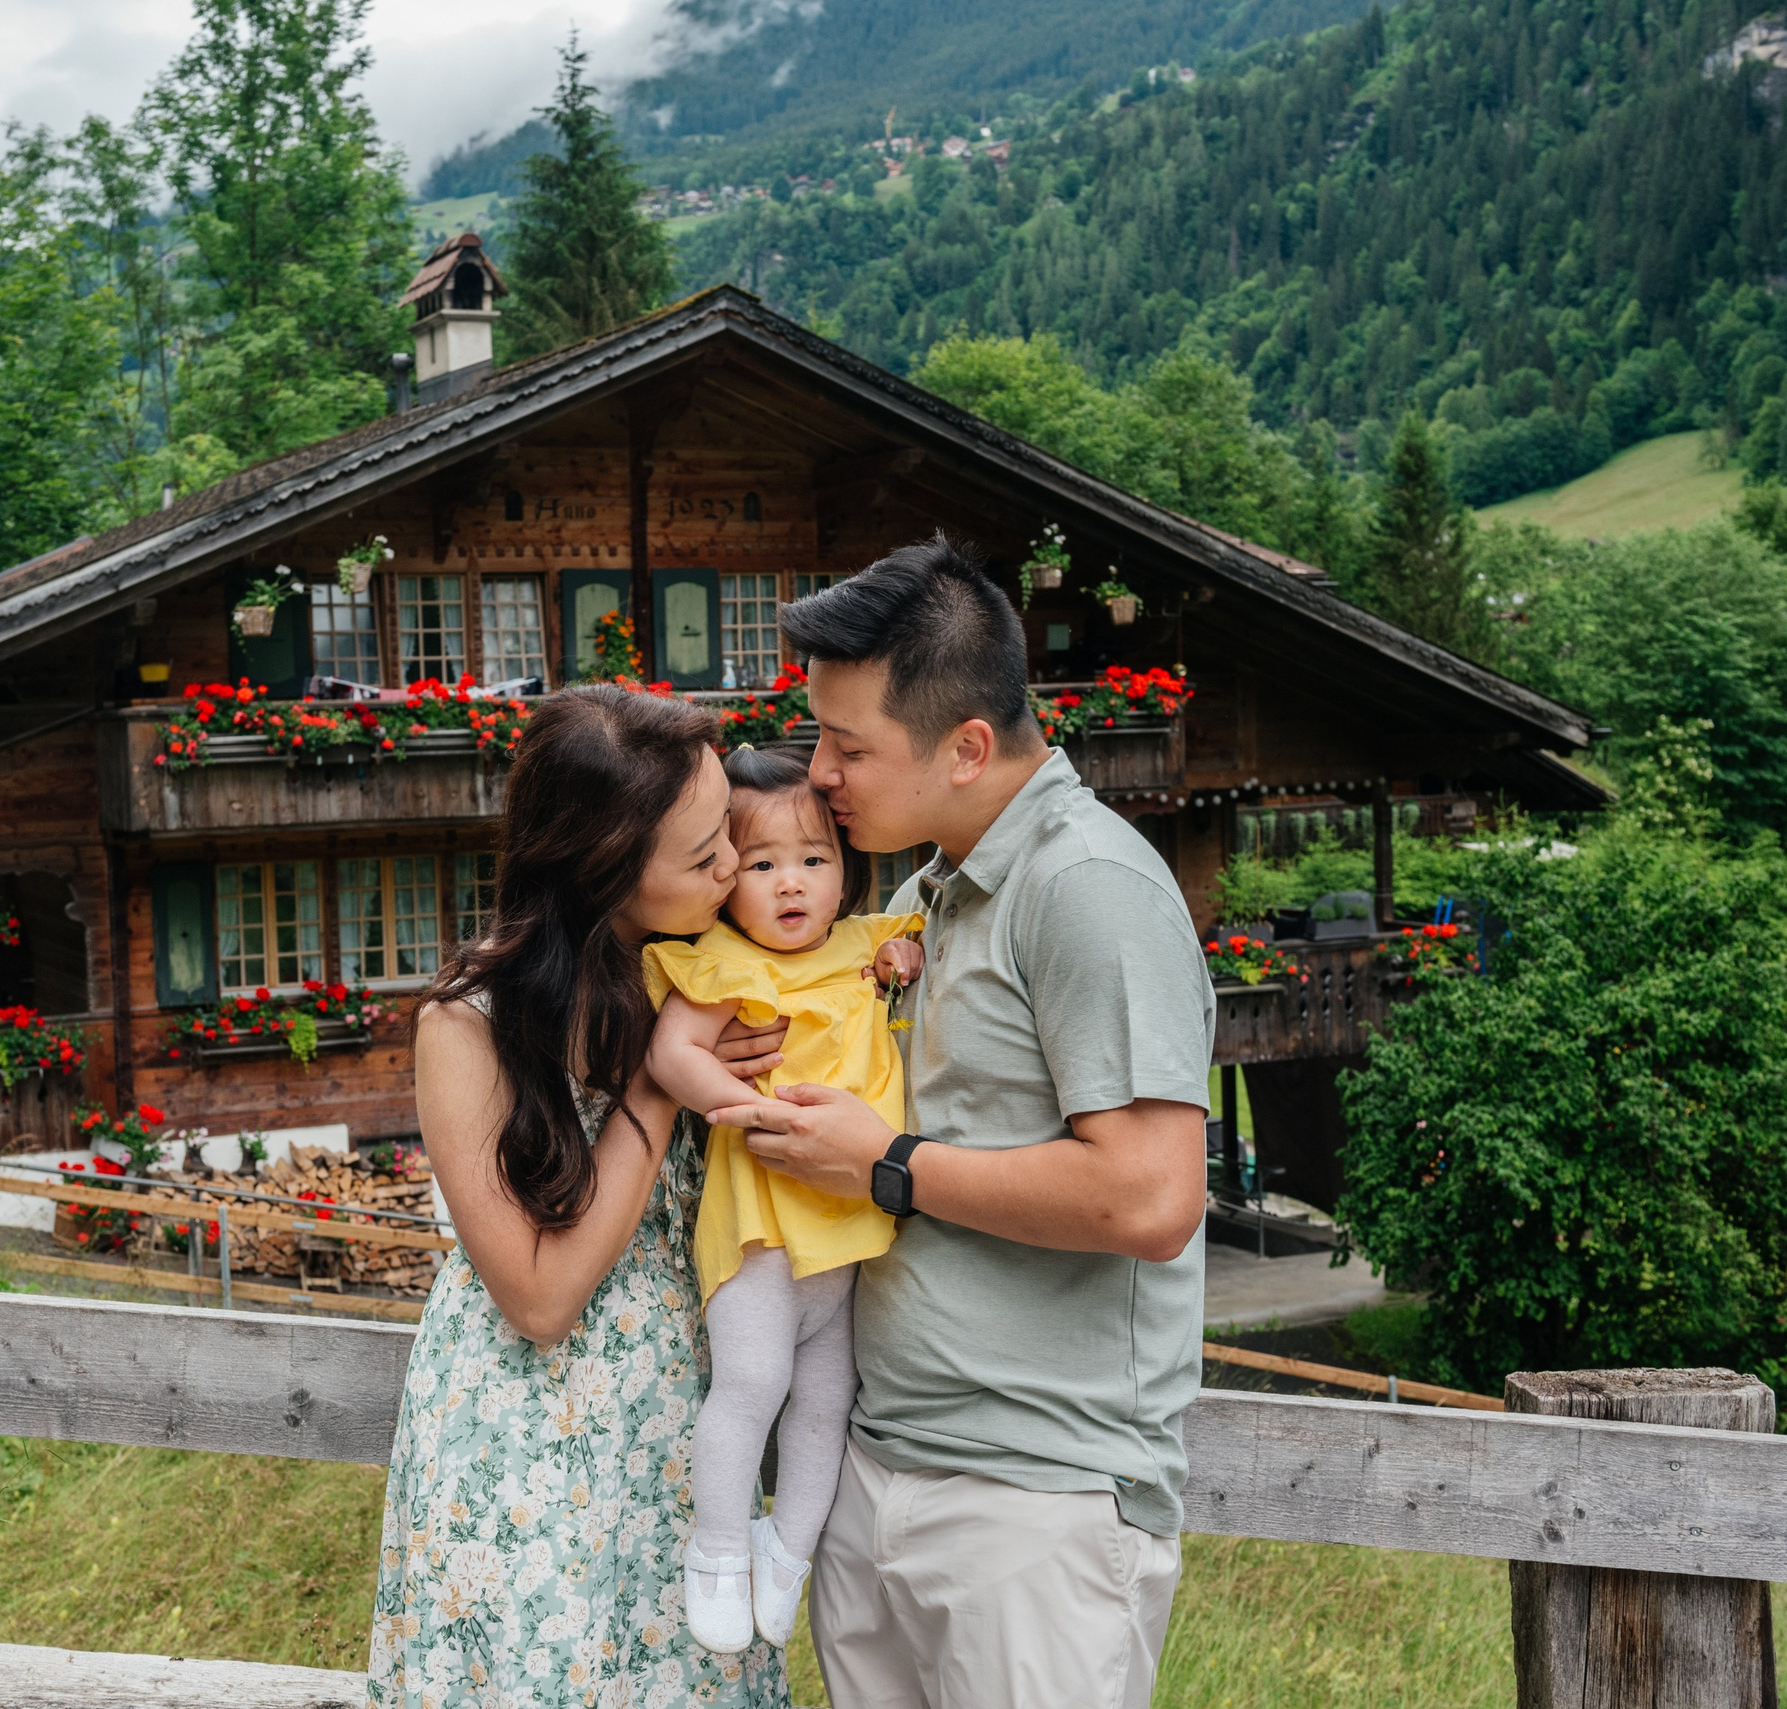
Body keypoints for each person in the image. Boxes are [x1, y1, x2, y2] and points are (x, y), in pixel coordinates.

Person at [707, 535, 1214, 1708]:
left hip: (1033, 1504)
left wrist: (883, 1165)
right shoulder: (922, 890)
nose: (818, 771)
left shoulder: (1087, 889)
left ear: (968, 746)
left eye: (847, 745)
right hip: (877, 1468)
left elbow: (1148, 1195)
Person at [366, 687, 794, 1709]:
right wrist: (656, 1078)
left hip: (679, 1437)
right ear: (604, 868)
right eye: (703, 857)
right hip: (522, 1447)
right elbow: (539, 1297)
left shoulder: (708, 975)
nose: (733, 868)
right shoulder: (466, 1027)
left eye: (727, 836)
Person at [642, 745, 924, 1653]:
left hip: (845, 1231)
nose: (791, 883)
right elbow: (672, 1054)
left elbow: (906, 941)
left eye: (814, 859)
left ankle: (788, 1550)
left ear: (845, 872)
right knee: (753, 1383)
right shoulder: (725, 963)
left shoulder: (862, 945)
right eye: (762, 864)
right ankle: (717, 1550)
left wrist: (904, 958)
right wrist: (745, 1105)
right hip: (762, 1222)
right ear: (725, 881)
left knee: (827, 1397)